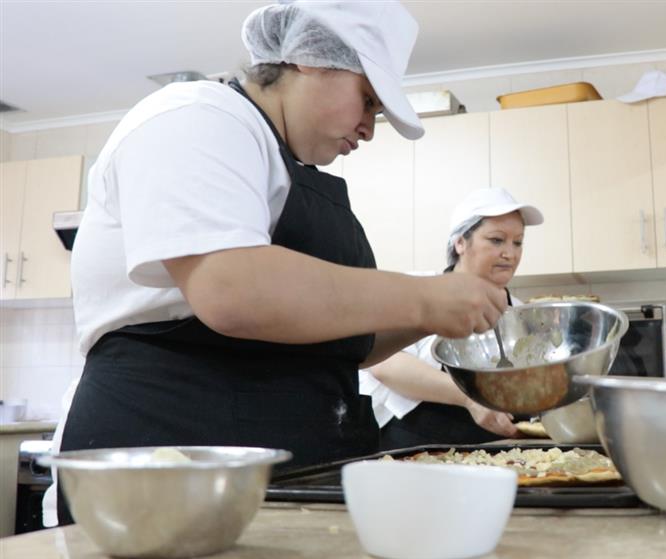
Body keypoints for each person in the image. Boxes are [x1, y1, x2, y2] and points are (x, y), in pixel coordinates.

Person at [51, 1, 508, 525]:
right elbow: (231, 289)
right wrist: (425, 295)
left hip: (291, 474)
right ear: (311, 59)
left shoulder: (285, 169)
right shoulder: (194, 115)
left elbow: (345, 342)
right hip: (172, 462)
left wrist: (428, 318)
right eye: (367, 100)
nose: (368, 129)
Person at [362, 188, 543, 450]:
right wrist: (470, 400)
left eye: (518, 242)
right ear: (460, 242)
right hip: (416, 450)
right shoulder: (419, 288)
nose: (510, 253)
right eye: (496, 240)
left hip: (503, 455)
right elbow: (384, 364)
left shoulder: (524, 317)